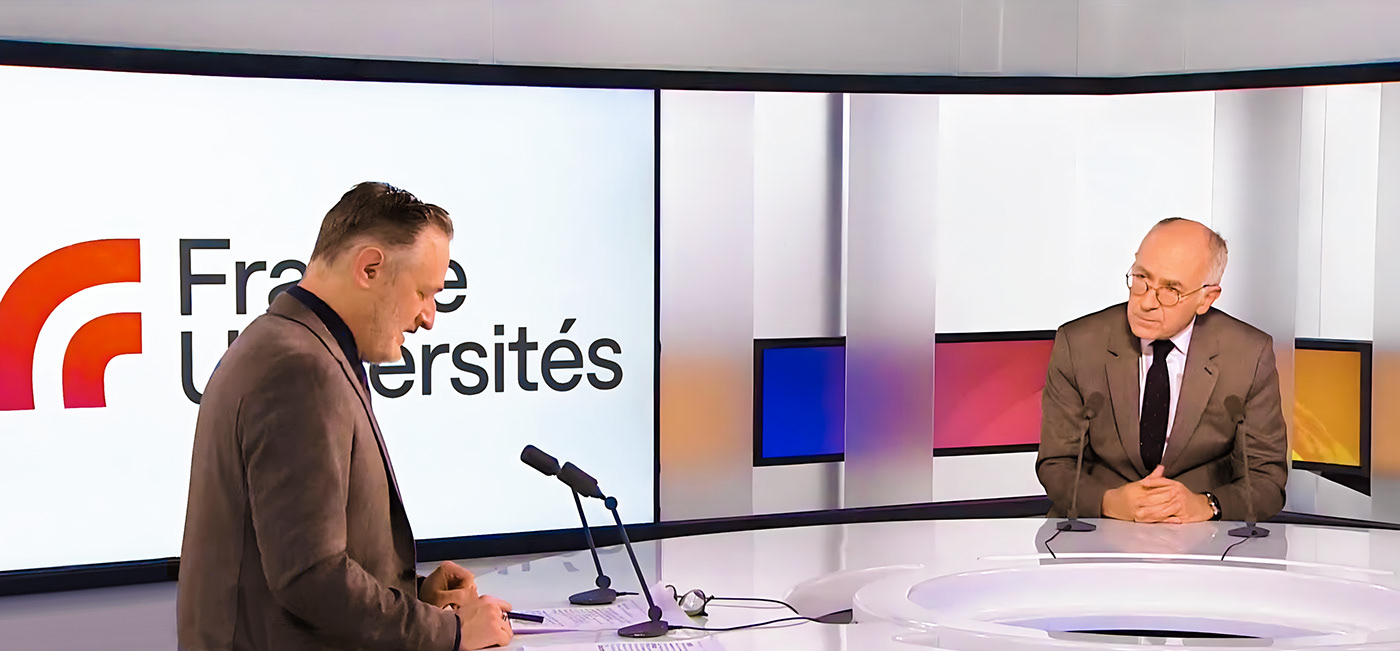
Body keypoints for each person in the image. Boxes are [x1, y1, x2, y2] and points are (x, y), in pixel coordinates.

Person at [178, 183, 513, 650]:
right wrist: (449, 632)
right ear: (369, 268)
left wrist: (413, 596)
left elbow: (295, 563)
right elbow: (311, 577)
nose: (429, 317)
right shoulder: (300, 367)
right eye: (423, 292)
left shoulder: (286, 344)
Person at [1036, 218, 1288, 524]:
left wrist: (1206, 505)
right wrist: (1109, 502)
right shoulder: (1078, 344)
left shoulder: (1248, 354)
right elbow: (1056, 464)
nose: (1146, 302)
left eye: (1171, 290)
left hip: (1199, 536)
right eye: (1141, 278)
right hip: (1097, 527)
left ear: (1206, 298)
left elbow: (1266, 479)